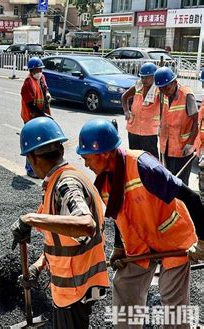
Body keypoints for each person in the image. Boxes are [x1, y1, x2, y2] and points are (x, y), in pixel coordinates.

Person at [76, 118, 204, 328]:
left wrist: (203, 242)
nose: (86, 164)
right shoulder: (103, 182)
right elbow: (118, 213)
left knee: (174, 305)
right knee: (124, 286)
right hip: (141, 245)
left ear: (105, 153)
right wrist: (119, 249)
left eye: (87, 158)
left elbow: (192, 198)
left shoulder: (144, 167)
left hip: (174, 242)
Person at [10, 117, 109, 329]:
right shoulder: (62, 179)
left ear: (33, 158)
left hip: (74, 288)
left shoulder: (66, 185)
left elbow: (85, 225)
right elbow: (63, 239)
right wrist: (38, 265)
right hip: (77, 284)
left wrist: (30, 218)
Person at [154, 67, 200, 185]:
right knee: (168, 179)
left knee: (180, 183)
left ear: (174, 83)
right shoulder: (163, 93)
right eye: (161, 89)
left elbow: (196, 121)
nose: (165, 91)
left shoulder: (186, 95)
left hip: (182, 148)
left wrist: (190, 143)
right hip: (166, 145)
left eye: (167, 88)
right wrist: (160, 126)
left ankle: (182, 203)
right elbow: (163, 112)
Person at [121, 62, 160, 159]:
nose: (144, 80)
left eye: (147, 77)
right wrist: (126, 111)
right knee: (134, 157)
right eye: (142, 77)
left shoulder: (159, 89)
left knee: (151, 159)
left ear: (154, 77)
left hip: (149, 131)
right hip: (134, 128)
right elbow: (124, 97)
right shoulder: (138, 86)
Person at [21, 57, 51, 178]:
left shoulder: (41, 78)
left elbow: (45, 88)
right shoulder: (28, 83)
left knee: (42, 143)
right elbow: (30, 104)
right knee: (32, 143)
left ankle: (40, 167)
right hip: (30, 116)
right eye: (36, 70)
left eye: (40, 69)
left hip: (40, 115)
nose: (39, 72)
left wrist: (48, 94)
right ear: (31, 70)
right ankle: (30, 169)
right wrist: (40, 114)